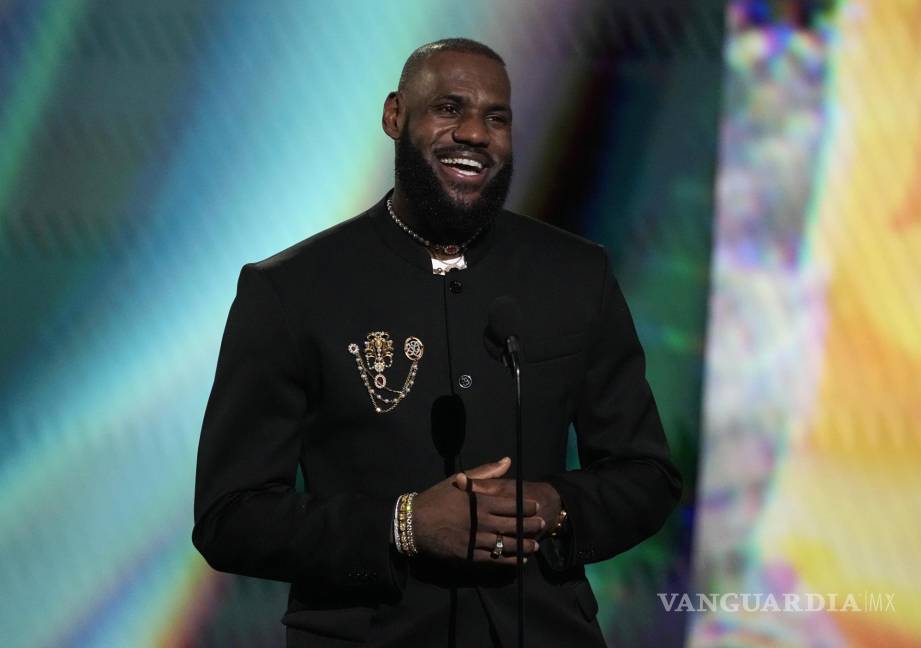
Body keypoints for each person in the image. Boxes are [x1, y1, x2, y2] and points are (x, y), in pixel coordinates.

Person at [193, 38, 681, 647]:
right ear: (395, 115)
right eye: (449, 108)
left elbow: (647, 476)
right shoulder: (291, 291)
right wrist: (404, 525)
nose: (475, 133)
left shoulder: (576, 275)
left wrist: (552, 507)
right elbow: (230, 517)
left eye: (496, 118)